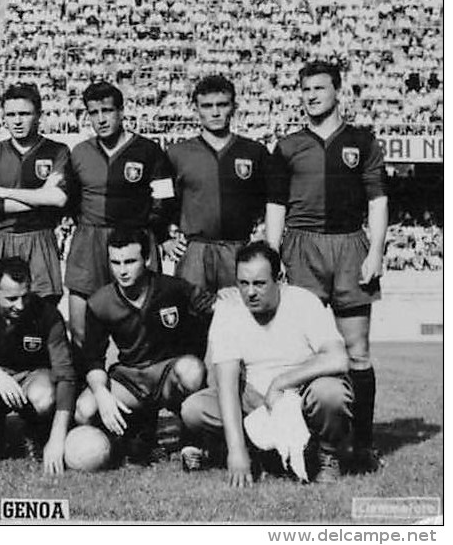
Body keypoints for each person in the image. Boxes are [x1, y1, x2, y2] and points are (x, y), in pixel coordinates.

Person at [265, 61, 387, 473]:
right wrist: (272, 252)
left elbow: (377, 201)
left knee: (357, 350)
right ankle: (306, 442)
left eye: (319, 88)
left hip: (350, 245)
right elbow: (276, 205)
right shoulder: (287, 145)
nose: (311, 95)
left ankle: (362, 445)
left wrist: (376, 252)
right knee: (302, 352)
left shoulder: (362, 141)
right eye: (305, 89)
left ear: (338, 91)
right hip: (301, 245)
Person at [181, 242, 354, 485]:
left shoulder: (304, 302)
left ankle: (326, 454)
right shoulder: (229, 311)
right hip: (253, 400)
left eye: (259, 283)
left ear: (279, 279)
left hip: (299, 395)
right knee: (194, 409)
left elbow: (338, 358)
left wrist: (281, 382)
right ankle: (255, 449)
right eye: (243, 283)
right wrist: (236, 450)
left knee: (331, 393)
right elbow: (227, 384)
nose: (250, 292)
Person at [75, 228, 214, 465]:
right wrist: (102, 394)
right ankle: (122, 445)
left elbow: (212, 307)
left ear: (148, 259)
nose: (122, 270)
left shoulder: (172, 288)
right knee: (85, 409)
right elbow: (93, 358)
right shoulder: (100, 302)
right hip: (131, 377)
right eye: (115, 262)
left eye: (130, 261)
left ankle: (191, 443)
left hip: (168, 373)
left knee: (192, 370)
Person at [65, 82, 176, 361]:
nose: (101, 119)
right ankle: (88, 395)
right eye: (93, 112)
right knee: (81, 329)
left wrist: (152, 232)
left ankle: (145, 391)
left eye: (107, 111)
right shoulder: (79, 152)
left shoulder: (149, 151)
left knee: (145, 324)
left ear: (122, 111)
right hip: (89, 240)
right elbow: (70, 199)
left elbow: (164, 198)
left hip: (133, 241)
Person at [0, 257, 76, 474]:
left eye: (25, 297)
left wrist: (57, 437)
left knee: (44, 395)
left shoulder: (48, 315)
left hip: (30, 378)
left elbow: (66, 375)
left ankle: (35, 435)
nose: (20, 305)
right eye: (11, 298)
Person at [166, 75, 269, 293]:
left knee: (239, 317)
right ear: (196, 109)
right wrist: (165, 238)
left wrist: (261, 233)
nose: (215, 112)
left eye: (222, 105)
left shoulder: (254, 152)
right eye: (207, 106)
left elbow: (269, 200)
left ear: (234, 107)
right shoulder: (177, 154)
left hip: (239, 248)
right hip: (195, 249)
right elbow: (161, 203)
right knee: (192, 317)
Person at [0, 83, 71, 304]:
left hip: (39, 239)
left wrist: (2, 192)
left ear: (38, 116)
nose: (17, 120)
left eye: (24, 114)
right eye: (11, 114)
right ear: (3, 117)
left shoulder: (57, 150)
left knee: (42, 311)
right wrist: (42, 196)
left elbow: (59, 198)